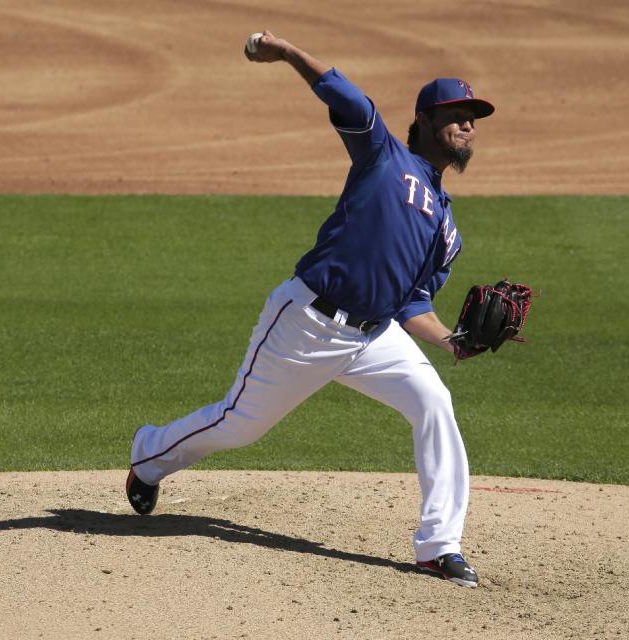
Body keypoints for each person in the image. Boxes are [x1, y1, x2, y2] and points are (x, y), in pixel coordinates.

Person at [126, 30, 495, 588]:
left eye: (473, 117)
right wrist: (287, 53)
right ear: (422, 120)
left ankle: (439, 545)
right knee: (237, 424)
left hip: (374, 338)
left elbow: (412, 301)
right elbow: (344, 95)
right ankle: (149, 455)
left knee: (433, 402)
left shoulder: (447, 230)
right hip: (308, 322)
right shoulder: (384, 155)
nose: (467, 124)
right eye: (456, 113)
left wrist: (450, 341)